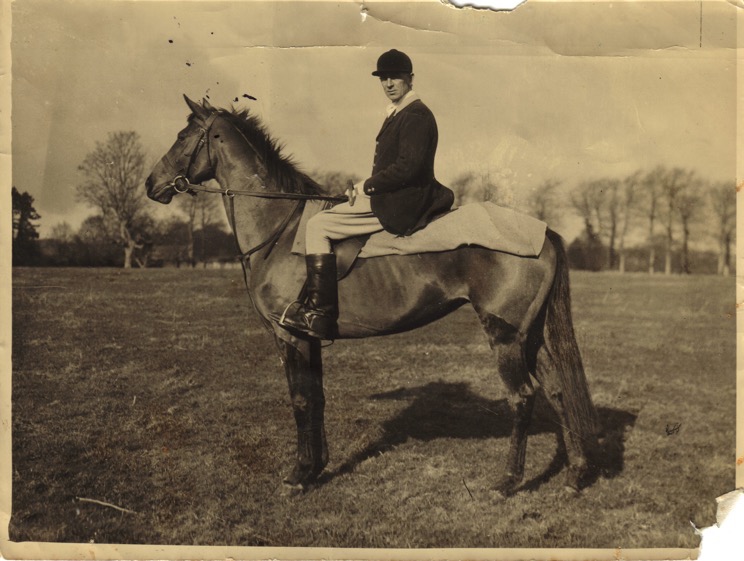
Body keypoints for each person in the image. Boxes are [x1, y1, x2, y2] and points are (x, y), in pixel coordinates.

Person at [275, 49, 454, 339]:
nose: (388, 84)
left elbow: (407, 169)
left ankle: (319, 315)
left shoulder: (416, 115)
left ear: (410, 78)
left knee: (317, 226)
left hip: (402, 204)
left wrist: (366, 187)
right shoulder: (399, 114)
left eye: (395, 77)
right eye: (383, 78)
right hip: (393, 196)